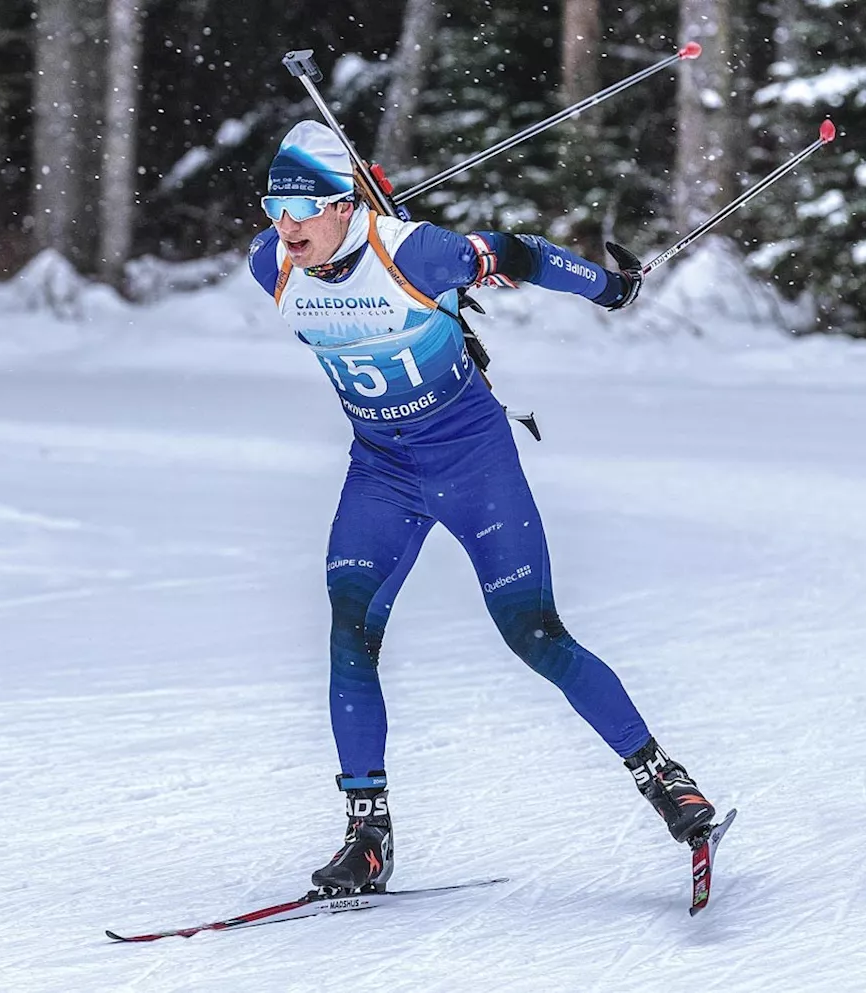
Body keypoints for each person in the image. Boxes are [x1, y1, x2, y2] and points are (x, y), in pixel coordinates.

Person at [248, 120, 714, 894]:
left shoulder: (416, 253)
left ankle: (666, 781)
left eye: (303, 208)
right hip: (382, 472)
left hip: (474, 465)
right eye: (274, 206)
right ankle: (369, 837)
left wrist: (612, 287)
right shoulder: (271, 264)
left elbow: (521, 253)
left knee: (533, 633)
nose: (285, 227)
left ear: (343, 206)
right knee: (348, 633)